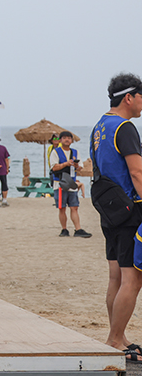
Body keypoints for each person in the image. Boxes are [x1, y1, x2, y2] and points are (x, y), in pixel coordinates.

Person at [91, 73, 142, 358]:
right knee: (132, 278)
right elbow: (136, 171)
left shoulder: (100, 126)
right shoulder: (125, 127)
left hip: (108, 209)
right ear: (129, 97)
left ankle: (118, 336)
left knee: (115, 277)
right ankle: (114, 339)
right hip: (129, 209)